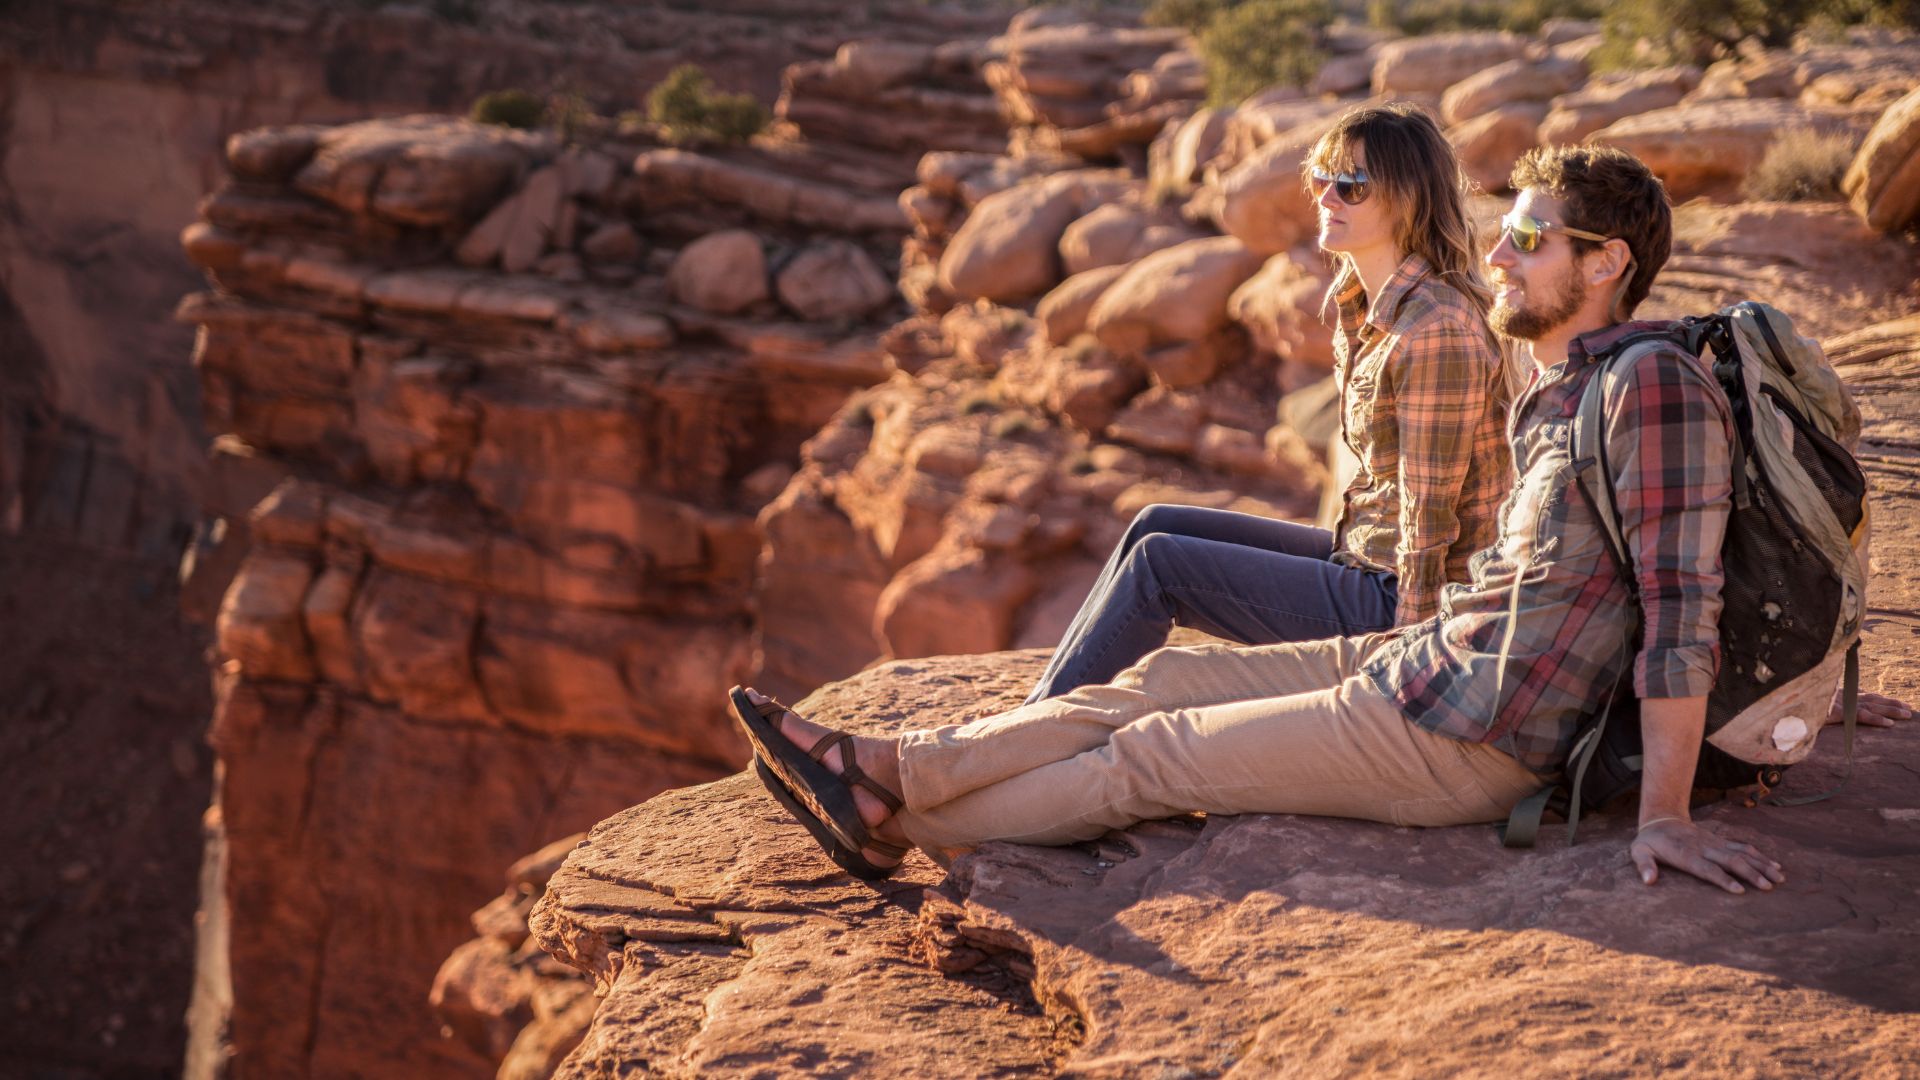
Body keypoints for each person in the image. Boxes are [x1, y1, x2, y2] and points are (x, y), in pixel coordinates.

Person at [734, 145, 1910, 890]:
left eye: (1527, 238)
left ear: (1604, 265)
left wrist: (1660, 817)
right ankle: (888, 769)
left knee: (1149, 759)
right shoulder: (1567, 380)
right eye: (1504, 228)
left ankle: (888, 821)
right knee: (1146, 687)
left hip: (1478, 736)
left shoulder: (1651, 388)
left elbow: (1679, 613)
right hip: (1425, 662)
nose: (1494, 253)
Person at [1024, 103, 1516, 704]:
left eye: (1352, 184)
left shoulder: (1433, 326)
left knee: (1161, 566)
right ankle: (1048, 705)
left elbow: (1430, 513)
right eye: (1322, 179)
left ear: (1407, 197)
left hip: (1409, 598)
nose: (1328, 197)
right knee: (1154, 523)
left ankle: (1031, 728)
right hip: (1364, 557)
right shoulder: (1367, 303)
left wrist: (1404, 658)